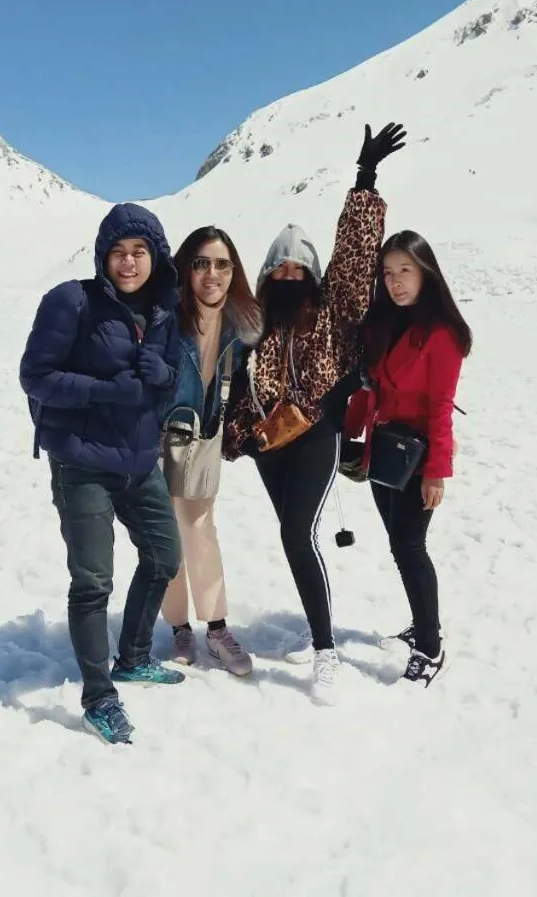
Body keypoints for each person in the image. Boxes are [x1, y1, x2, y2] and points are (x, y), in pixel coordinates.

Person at [223, 122, 406, 704]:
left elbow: (354, 256)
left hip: (316, 433)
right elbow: (234, 385)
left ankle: (326, 652)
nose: (288, 276)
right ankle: (316, 622)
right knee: (294, 537)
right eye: (279, 268)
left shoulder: (335, 309)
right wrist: (239, 435)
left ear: (312, 273)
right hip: (266, 447)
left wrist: (364, 180)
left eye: (298, 268)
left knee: (296, 532)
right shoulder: (253, 324)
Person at [19, 201, 187, 746]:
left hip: (140, 459)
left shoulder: (164, 308)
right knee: (93, 582)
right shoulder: (71, 302)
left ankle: (134, 657)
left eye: (139, 252)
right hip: (82, 462)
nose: (129, 262)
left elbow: (168, 377)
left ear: (155, 257)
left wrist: (165, 375)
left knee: (164, 556)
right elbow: (36, 376)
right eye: (118, 252)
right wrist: (102, 392)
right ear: (103, 256)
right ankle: (98, 698)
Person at [343, 230, 472, 688]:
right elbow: (371, 386)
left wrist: (437, 472)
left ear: (426, 273)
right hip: (384, 450)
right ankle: (423, 621)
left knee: (410, 547)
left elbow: (440, 406)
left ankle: (431, 647)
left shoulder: (443, 334)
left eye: (406, 271)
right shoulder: (381, 322)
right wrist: (351, 436)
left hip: (418, 454)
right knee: (400, 547)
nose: (396, 282)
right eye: (389, 272)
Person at [159, 226, 263, 675]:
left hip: (202, 440)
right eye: (201, 262)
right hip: (155, 438)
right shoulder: (165, 317)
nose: (212, 273)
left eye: (222, 263)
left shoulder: (241, 328)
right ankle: (179, 625)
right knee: (163, 533)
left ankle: (216, 628)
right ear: (186, 267)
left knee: (199, 528)